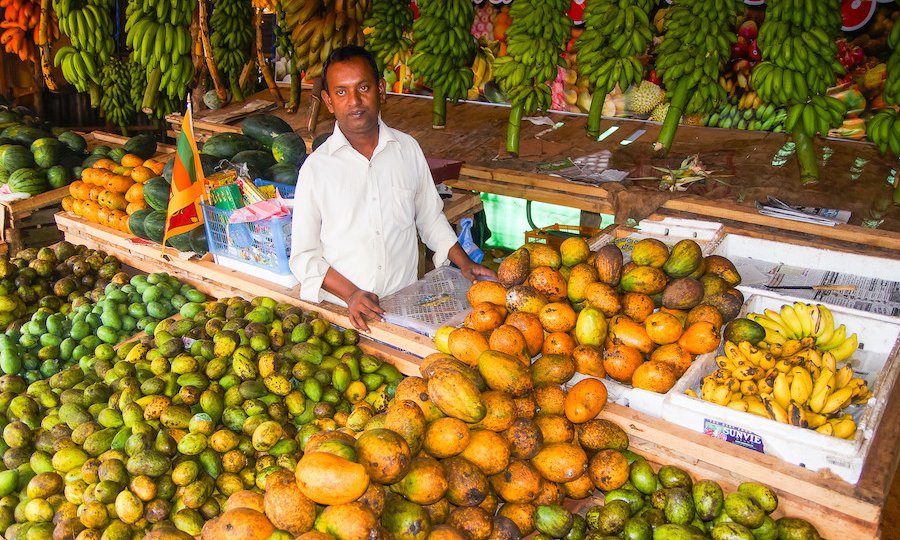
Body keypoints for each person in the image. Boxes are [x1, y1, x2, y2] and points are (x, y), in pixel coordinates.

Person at [289, 45, 496, 332]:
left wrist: (462, 263)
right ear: (327, 100)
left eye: (363, 87)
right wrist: (351, 294)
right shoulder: (316, 169)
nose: (354, 101)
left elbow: (430, 217)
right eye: (341, 92)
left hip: (402, 310)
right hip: (343, 318)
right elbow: (304, 255)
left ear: (381, 89)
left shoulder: (407, 149)